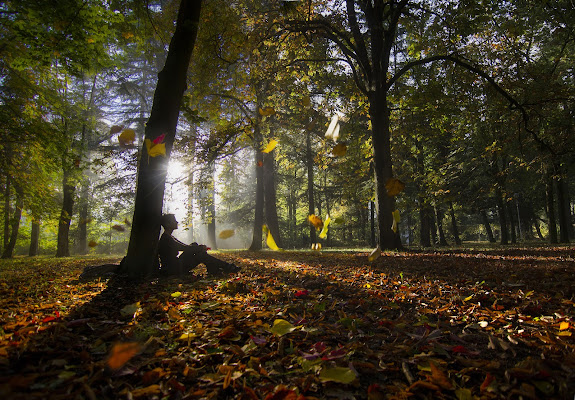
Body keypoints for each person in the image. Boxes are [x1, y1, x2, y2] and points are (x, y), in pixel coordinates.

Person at [158, 213, 240, 276]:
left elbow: (187, 247)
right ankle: (225, 267)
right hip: (173, 269)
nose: (177, 222)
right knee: (200, 254)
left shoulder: (169, 237)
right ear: (168, 224)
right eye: (174, 220)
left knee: (194, 245)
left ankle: (215, 269)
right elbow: (184, 248)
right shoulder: (166, 238)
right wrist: (200, 248)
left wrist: (198, 247)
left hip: (176, 265)